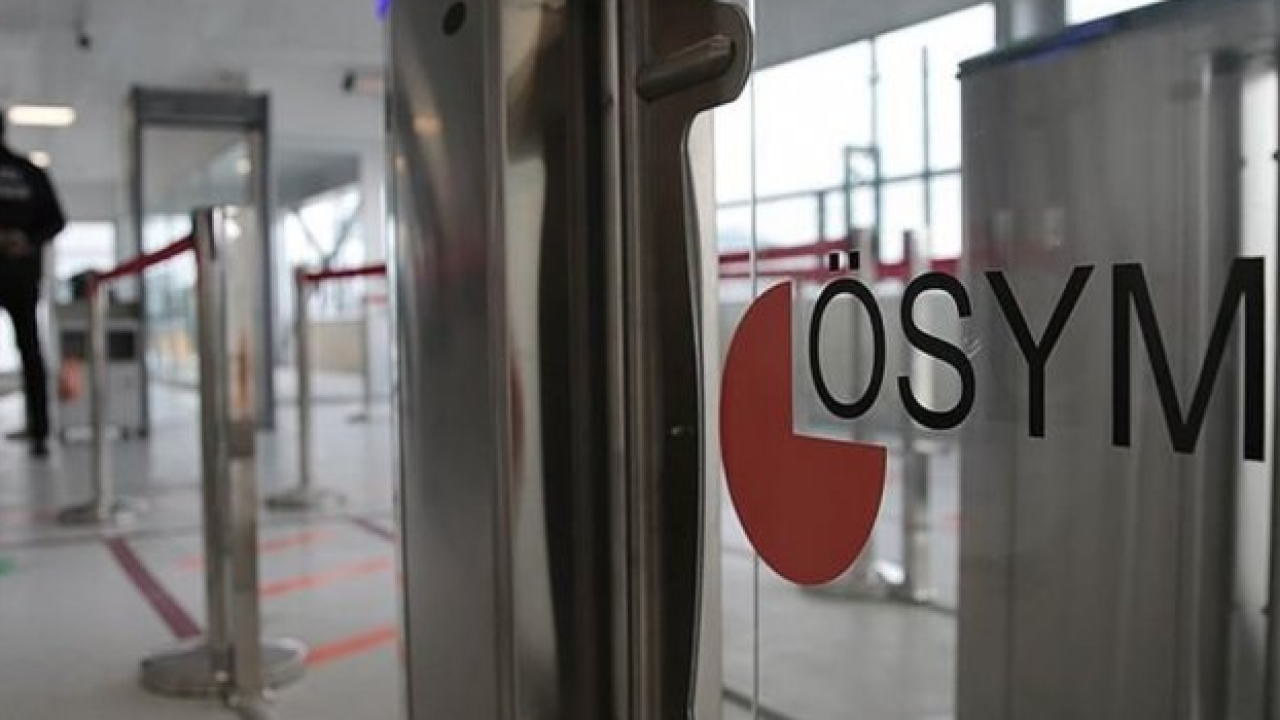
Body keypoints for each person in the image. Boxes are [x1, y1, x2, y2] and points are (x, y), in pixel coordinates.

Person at [0, 110, 66, 458]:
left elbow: (57, 220)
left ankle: (39, 430)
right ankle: (39, 433)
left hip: (20, 273)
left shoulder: (31, 171)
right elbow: (55, 221)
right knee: (30, 349)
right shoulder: (30, 172)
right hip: (23, 273)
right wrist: (27, 239)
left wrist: (23, 240)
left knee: (29, 349)